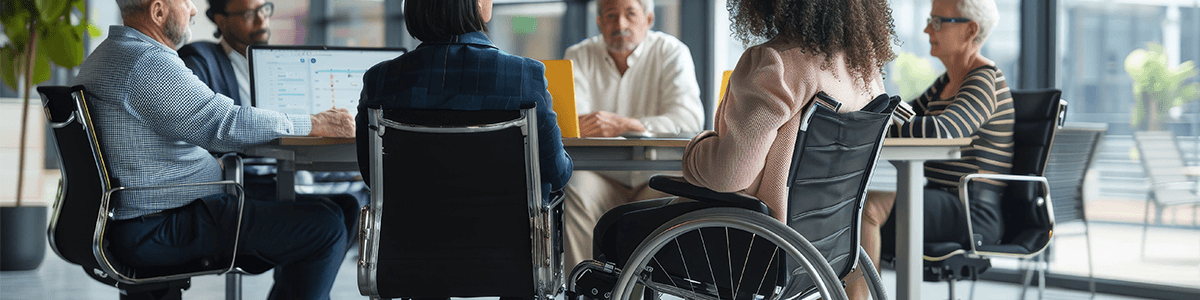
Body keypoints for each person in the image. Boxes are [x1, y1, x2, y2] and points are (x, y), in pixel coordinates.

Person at [73, 0, 357, 299]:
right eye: (185, 1)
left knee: (340, 210)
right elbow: (225, 124)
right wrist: (312, 124)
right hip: (158, 225)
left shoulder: (107, 55)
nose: (193, 9)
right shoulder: (146, 62)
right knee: (325, 227)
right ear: (158, 12)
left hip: (146, 216)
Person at [854, 0, 1013, 299]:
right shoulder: (947, 83)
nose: (927, 29)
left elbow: (943, 131)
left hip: (973, 211)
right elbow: (899, 117)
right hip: (940, 200)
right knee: (852, 209)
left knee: (868, 209)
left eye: (938, 22)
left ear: (970, 31)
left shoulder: (984, 80)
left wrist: (885, 122)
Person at [355, 0, 572, 210]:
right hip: (507, 238)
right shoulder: (524, 76)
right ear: (476, 3)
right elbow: (557, 174)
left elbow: (372, 175)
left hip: (407, 240)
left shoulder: (380, 80)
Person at [179, 0, 368, 205]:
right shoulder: (200, 62)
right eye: (248, 14)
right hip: (251, 178)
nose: (262, 20)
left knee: (356, 200)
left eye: (264, 9)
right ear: (220, 21)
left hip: (297, 168)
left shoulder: (278, 62)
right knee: (338, 212)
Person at [561, 0, 705, 269]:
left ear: (649, 19)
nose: (621, 25)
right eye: (611, 16)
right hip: (601, 176)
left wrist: (625, 124)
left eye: (630, 14)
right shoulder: (578, 55)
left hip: (655, 178)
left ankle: (645, 287)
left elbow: (689, 119)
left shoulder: (671, 52)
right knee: (575, 186)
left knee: (683, 196)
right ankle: (583, 284)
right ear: (599, 22)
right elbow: (573, 123)